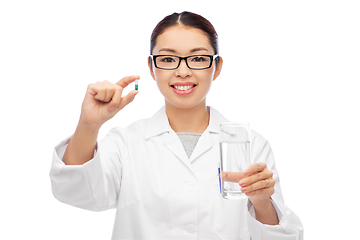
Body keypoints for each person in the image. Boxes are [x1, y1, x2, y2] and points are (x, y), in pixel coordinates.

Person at [50, 11, 303, 240]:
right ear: (152, 67)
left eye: (198, 58)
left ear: (216, 67)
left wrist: (261, 202)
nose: (183, 71)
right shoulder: (126, 143)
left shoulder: (251, 146)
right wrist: (88, 124)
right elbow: (75, 192)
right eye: (169, 60)